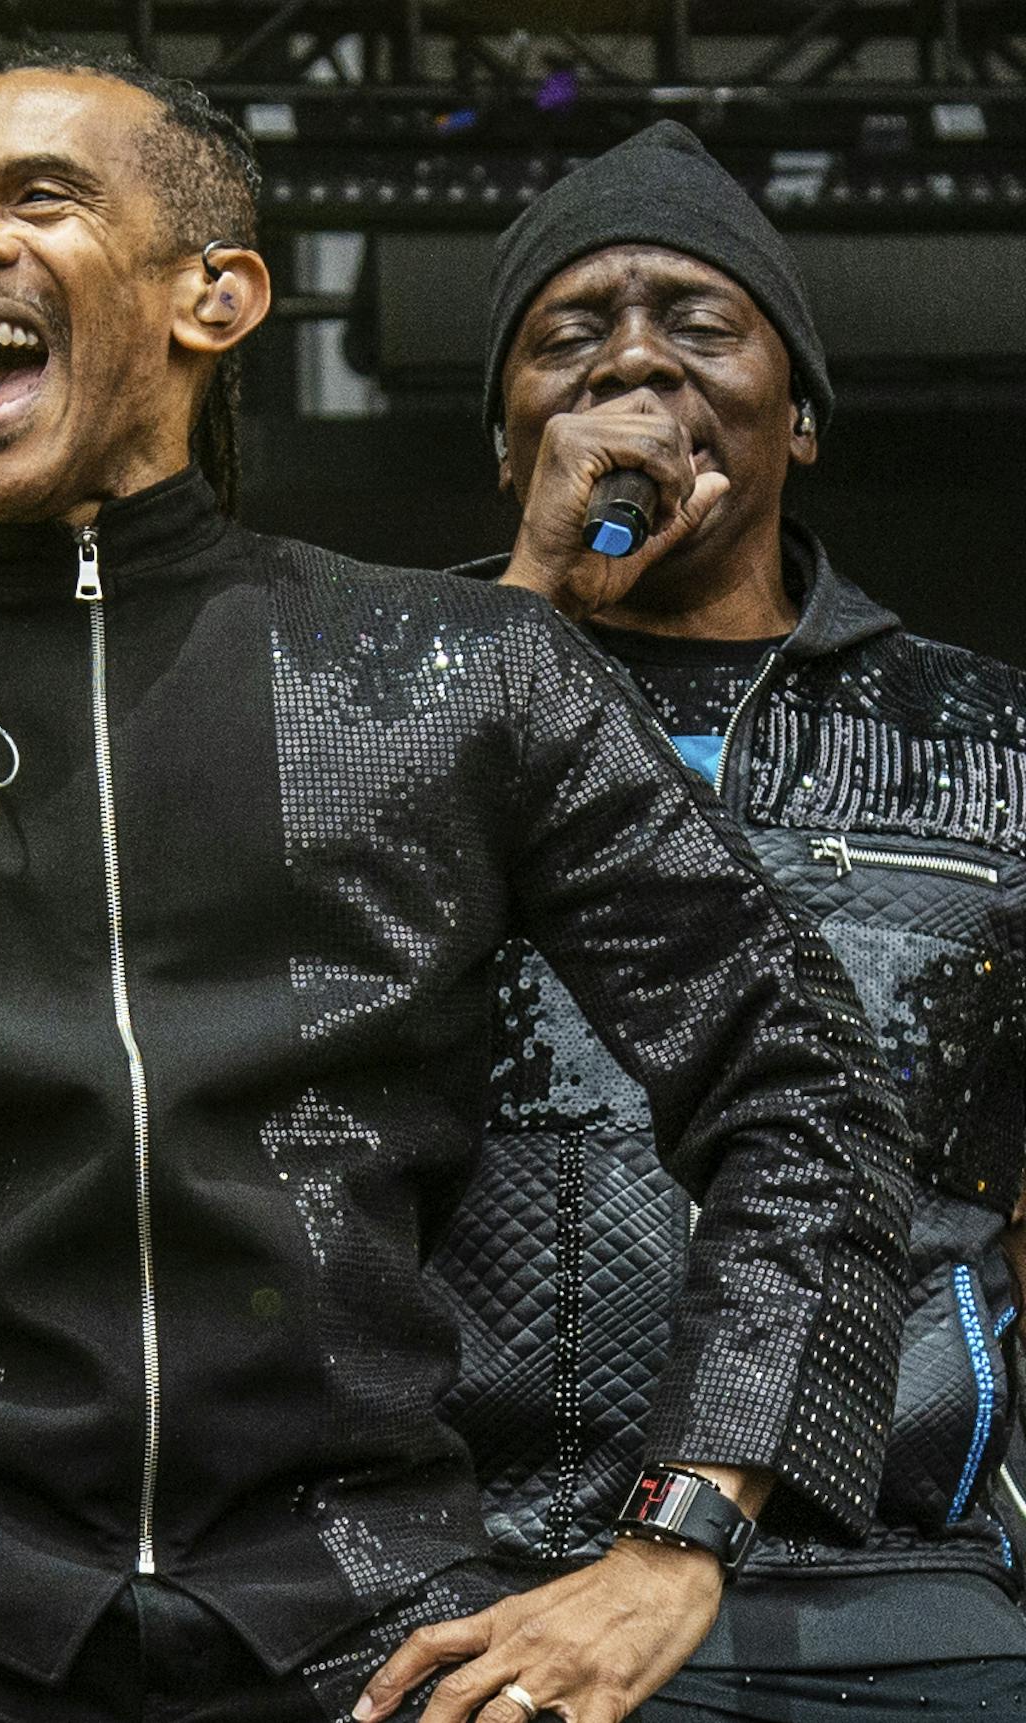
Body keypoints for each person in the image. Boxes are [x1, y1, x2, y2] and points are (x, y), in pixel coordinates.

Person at [0, 52, 914, 1723]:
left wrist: (682, 1533)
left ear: (216, 298)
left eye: (37, 198)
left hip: (363, 1607)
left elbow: (801, 1076)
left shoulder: (449, 670)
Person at [429, 120, 1026, 1719]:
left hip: (893, 1584)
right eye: (569, 337)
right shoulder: (375, 715)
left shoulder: (992, 742)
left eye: (698, 324)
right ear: (508, 444)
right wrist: (533, 602)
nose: (633, 363)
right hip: (474, 1573)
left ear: (801, 415)